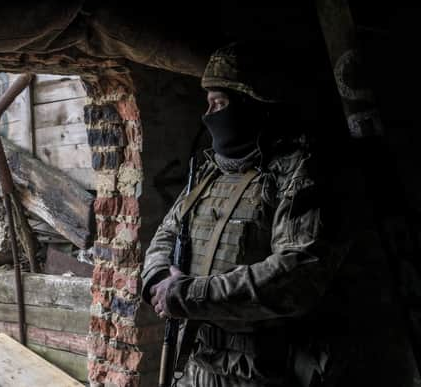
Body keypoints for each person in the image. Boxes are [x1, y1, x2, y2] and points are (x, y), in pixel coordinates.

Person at [141, 42, 353, 386]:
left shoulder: (297, 173)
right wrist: (159, 280)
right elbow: (166, 234)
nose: (209, 115)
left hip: (262, 371)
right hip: (197, 363)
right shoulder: (209, 171)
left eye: (220, 103)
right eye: (207, 102)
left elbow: (296, 274)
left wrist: (188, 295)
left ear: (255, 106)